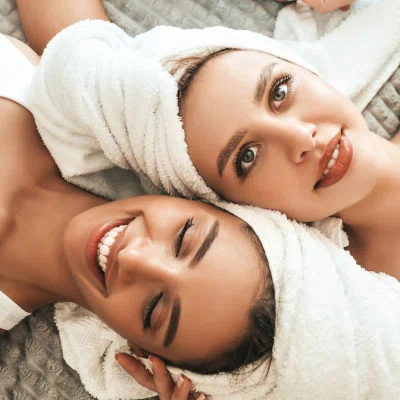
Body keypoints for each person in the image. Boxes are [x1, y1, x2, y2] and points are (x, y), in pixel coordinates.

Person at [0, 27, 276, 400]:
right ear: (197, 198)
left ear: (141, 351)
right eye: (183, 238)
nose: (133, 258)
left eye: (154, 309)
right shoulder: (56, 85)